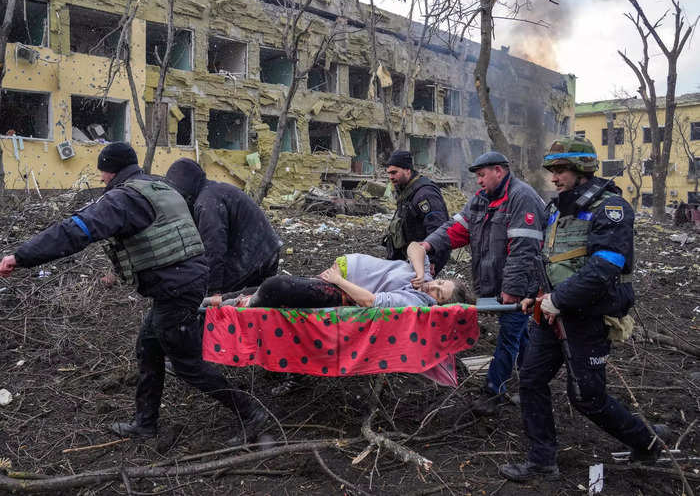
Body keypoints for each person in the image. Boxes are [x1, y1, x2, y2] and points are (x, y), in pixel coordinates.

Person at [0, 142, 266, 444]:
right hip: (183, 281)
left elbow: (76, 230)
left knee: (187, 363)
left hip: (176, 287)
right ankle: (145, 424)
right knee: (149, 347)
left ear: (110, 171)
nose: (101, 180)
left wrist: (21, 256)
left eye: (102, 173)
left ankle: (250, 413)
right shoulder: (157, 185)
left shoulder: (123, 199)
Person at [499, 137, 671, 482]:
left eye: (561, 170)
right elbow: (550, 261)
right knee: (531, 380)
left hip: (587, 317)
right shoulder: (556, 209)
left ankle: (648, 443)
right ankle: (542, 463)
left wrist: (558, 300)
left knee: (587, 398)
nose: (554, 177)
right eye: (553, 170)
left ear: (582, 170)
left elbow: (605, 267)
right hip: (551, 316)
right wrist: (538, 294)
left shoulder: (611, 209)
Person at [421, 151, 545, 415]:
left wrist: (511, 289)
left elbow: (524, 249)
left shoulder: (521, 198)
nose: (478, 181)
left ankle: (493, 391)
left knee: (509, 335)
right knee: (520, 333)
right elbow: (456, 229)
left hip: (521, 285)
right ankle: (533, 382)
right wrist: (428, 244)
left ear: (498, 171)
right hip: (497, 284)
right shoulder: (480, 201)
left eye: (481, 175)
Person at [208, 242, 470, 309]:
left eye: (439, 293)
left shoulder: (414, 302)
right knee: (273, 287)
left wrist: (338, 280)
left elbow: (369, 301)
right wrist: (423, 271)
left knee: (275, 287)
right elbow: (415, 247)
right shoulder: (422, 278)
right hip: (340, 274)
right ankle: (214, 299)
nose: (433, 287)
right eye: (440, 282)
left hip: (343, 289)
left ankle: (233, 305)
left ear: (439, 305)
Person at [166, 158, 283, 295]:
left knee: (222, 300)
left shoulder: (207, 203)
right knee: (249, 304)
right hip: (264, 251)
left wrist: (213, 291)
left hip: (255, 257)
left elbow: (214, 248)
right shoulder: (212, 191)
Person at [382, 150, 449, 276]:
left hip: (423, 259)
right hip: (408, 258)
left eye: (394, 172)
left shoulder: (425, 194)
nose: (390, 177)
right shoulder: (405, 190)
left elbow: (438, 228)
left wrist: (432, 260)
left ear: (408, 170)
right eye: (389, 173)